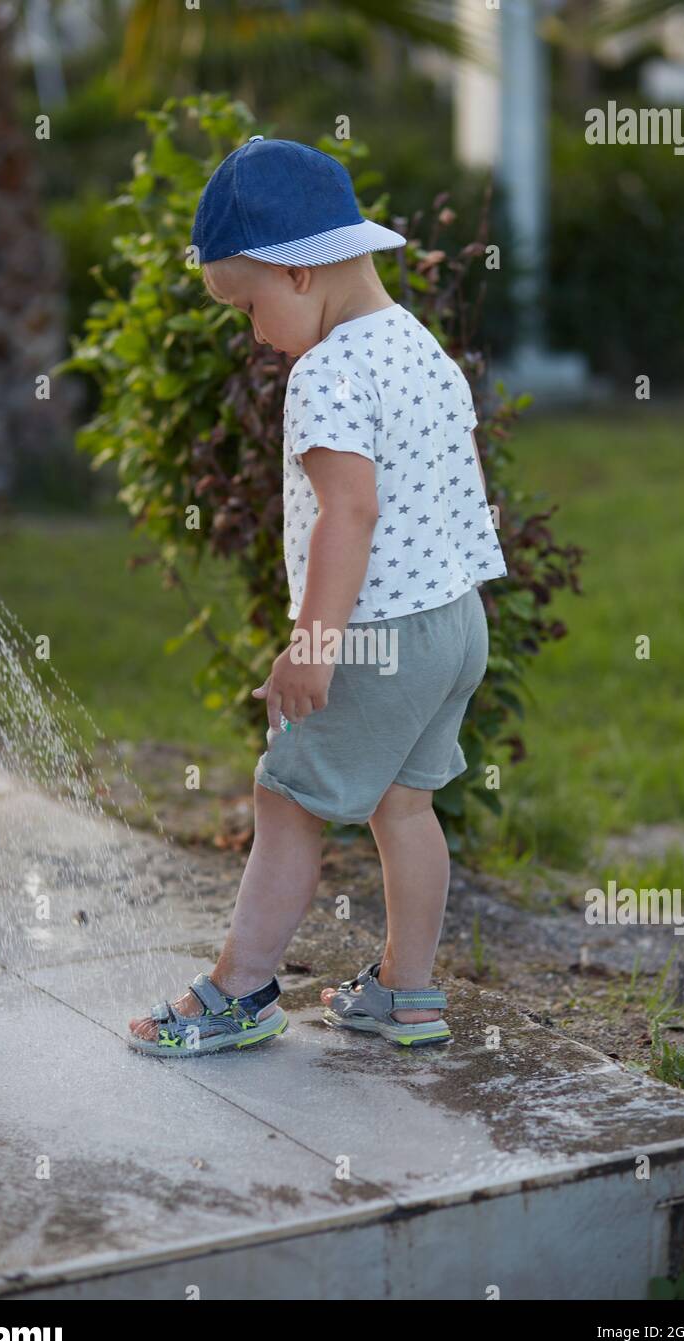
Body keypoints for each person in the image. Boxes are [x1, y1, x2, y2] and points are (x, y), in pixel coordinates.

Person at [128, 136, 507, 1056]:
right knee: (405, 806)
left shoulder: (327, 369)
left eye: (246, 304)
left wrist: (313, 643)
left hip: (377, 635)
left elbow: (351, 510)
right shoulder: (419, 346)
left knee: (286, 801)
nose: (252, 330)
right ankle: (406, 997)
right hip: (455, 623)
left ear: (297, 276)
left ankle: (239, 991)